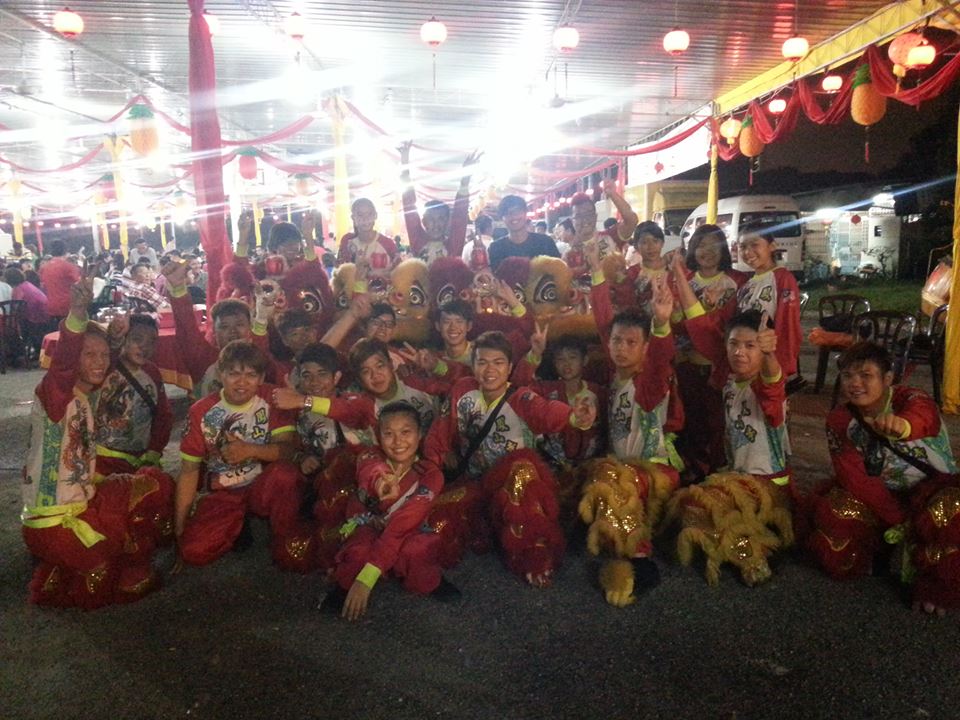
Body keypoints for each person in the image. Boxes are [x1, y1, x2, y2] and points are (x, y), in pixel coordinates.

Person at [21, 277, 171, 608]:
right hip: (56, 523)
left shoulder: (84, 399)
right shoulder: (56, 396)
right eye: (89, 354)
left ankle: (59, 568)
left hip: (73, 509)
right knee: (120, 560)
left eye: (104, 355)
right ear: (72, 355)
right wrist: (77, 313)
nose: (100, 362)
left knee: (147, 485)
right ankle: (74, 566)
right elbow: (62, 366)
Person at [423, 331, 596, 587]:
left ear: (510, 367)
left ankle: (535, 558)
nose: (489, 370)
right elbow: (441, 432)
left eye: (498, 362)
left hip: (514, 485)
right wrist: (435, 464)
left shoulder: (521, 396)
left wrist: (573, 417)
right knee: (435, 522)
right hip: (476, 481)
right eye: (482, 362)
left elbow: (544, 412)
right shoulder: (463, 390)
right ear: (473, 364)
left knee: (522, 469)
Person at [808, 342, 960, 615]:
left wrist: (903, 425)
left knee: (949, 510)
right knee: (835, 511)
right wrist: (901, 521)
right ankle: (881, 546)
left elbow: (925, 416)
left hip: (933, 490)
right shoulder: (840, 420)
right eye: (848, 376)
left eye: (866, 375)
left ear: (887, 379)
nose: (855, 383)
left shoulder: (910, 398)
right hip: (887, 498)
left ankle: (936, 584)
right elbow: (856, 479)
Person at [578, 261, 680, 606]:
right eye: (616, 341)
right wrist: (596, 273)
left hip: (652, 470)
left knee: (612, 480)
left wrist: (663, 325)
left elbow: (662, 361)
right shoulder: (615, 374)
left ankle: (638, 560)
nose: (620, 347)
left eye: (631, 342)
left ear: (645, 348)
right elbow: (603, 320)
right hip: (622, 468)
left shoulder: (648, 382)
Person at [321, 401, 459, 619]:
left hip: (407, 529)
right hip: (370, 522)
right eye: (389, 434)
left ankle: (429, 581)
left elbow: (403, 524)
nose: (398, 442)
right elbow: (372, 470)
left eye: (406, 432)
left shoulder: (430, 474)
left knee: (417, 549)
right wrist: (380, 483)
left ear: (420, 434)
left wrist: (366, 580)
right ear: (378, 436)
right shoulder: (370, 456)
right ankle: (346, 584)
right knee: (359, 548)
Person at [174, 341, 302, 568]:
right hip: (224, 490)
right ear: (221, 374)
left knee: (286, 475)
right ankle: (238, 522)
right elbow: (189, 469)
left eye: (251, 375)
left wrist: (250, 450)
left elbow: (288, 451)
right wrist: (180, 526)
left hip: (262, 484)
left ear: (261, 378)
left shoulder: (272, 399)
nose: (242, 382)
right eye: (233, 374)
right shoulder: (201, 411)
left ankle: (283, 534)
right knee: (193, 551)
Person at [669, 226, 745, 478]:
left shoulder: (737, 282)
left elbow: (735, 327)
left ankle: (715, 472)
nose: (707, 251)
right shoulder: (684, 279)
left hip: (718, 369)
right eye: (701, 245)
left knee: (716, 425)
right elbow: (676, 322)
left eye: (714, 245)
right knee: (687, 421)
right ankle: (690, 470)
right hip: (685, 366)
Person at [162, 259, 276, 398]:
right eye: (224, 326)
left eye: (239, 324)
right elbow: (187, 328)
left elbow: (260, 344)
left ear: (249, 328)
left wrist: (263, 317)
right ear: (214, 333)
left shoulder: (260, 358)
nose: (233, 331)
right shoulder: (203, 359)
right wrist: (178, 287)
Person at [95, 314, 174, 483]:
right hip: (102, 461)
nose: (144, 347)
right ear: (125, 338)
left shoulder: (152, 373)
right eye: (137, 339)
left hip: (141, 460)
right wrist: (115, 336)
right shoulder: (107, 366)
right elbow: (112, 349)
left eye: (151, 341)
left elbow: (163, 415)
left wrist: (154, 450)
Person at [399, 143, 479, 264]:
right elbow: (409, 207)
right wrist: (404, 165)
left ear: (447, 221)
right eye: (431, 219)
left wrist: (465, 181)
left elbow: (460, 216)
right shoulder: (418, 241)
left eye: (441, 218)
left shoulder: (453, 246)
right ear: (424, 222)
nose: (436, 224)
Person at [487, 195, 560, 271]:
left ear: (525, 213)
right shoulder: (496, 248)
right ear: (502, 218)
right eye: (508, 213)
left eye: (517, 211)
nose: (514, 216)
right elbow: (494, 277)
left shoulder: (545, 242)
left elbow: (559, 271)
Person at [569, 186, 638, 260]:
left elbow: (632, 220)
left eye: (588, 214)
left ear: (595, 216)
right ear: (572, 221)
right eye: (579, 216)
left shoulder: (610, 237)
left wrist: (612, 194)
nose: (584, 219)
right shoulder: (569, 256)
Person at [336, 198, 397, 280]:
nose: (365, 219)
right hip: (355, 291)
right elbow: (340, 274)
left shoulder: (387, 243)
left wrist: (387, 274)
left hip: (384, 292)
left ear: (375, 215)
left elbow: (400, 272)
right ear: (353, 217)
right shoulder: (347, 241)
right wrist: (357, 269)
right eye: (360, 215)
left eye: (369, 214)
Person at [37, 240, 81, 320]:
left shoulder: (44, 268)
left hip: (50, 306)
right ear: (65, 251)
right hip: (68, 306)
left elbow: (43, 285)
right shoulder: (69, 266)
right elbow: (79, 284)